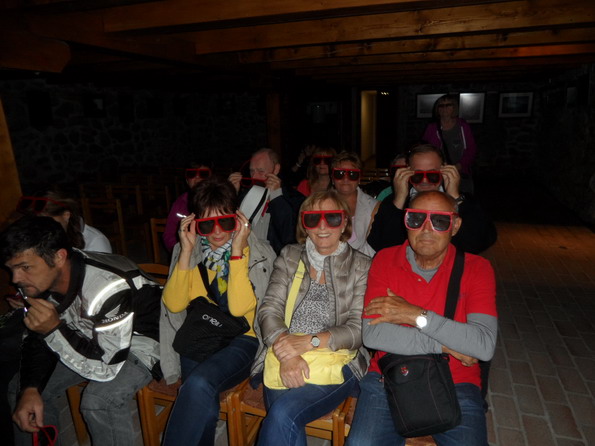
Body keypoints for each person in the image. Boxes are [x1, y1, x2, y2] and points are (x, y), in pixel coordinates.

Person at [347, 190, 497, 446]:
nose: (426, 228)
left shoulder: (477, 268)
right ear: (406, 222)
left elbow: (482, 345)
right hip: (388, 376)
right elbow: (374, 335)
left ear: (455, 225)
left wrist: (414, 314)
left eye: (439, 220)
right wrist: (447, 346)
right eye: (416, 219)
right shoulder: (385, 259)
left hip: (456, 382)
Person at [2, 216, 161, 446]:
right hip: (89, 335)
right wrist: (30, 388)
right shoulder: (39, 280)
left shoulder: (108, 286)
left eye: (25, 267)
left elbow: (106, 368)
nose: (16, 279)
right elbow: (37, 337)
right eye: (12, 269)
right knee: (22, 391)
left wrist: (53, 329)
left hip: (145, 341)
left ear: (59, 257)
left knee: (99, 401)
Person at [160, 178, 276, 445]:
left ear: (237, 219)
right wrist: (186, 252)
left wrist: (236, 253)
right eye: (207, 224)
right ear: (195, 223)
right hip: (201, 333)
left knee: (198, 385)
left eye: (224, 221)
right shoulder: (187, 250)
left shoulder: (258, 252)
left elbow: (238, 308)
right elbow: (174, 305)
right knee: (204, 403)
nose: (216, 232)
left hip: (243, 338)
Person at [252, 190, 371, 446]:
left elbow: (359, 328)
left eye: (332, 218)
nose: (323, 226)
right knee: (284, 419)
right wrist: (288, 354)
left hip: (335, 359)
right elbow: (269, 310)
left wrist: (309, 342)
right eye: (313, 218)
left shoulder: (362, 265)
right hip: (284, 352)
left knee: (282, 414)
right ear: (304, 225)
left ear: (344, 222)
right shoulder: (290, 255)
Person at [367, 143, 497, 254]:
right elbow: (379, 244)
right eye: (418, 175)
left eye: (432, 175)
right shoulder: (395, 203)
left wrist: (455, 198)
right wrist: (399, 200)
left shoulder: (464, 201)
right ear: (407, 172)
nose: (424, 181)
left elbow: (481, 241)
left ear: (444, 170)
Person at [229, 148, 305, 254]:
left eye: (261, 171)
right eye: (252, 171)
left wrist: (276, 197)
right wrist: (230, 195)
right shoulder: (245, 194)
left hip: (276, 260)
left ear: (276, 169)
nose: (254, 176)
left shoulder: (295, 198)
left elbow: (290, 237)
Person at [16, 191, 112, 253]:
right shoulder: (36, 237)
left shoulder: (95, 241)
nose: (43, 228)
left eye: (49, 222)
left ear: (66, 215)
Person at [422, 94, 477, 193]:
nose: (444, 108)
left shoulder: (463, 126)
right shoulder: (432, 128)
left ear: (454, 107)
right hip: (438, 174)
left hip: (460, 173)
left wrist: (459, 166)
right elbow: (425, 149)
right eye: (441, 105)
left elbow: (471, 150)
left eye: (448, 105)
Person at [331, 151, 377, 257]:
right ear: (332, 178)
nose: (345, 178)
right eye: (339, 174)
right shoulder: (320, 206)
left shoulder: (374, 207)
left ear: (359, 178)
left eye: (352, 174)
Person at [163, 161, 212, 253]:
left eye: (203, 174)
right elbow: (169, 235)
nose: (197, 177)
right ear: (186, 180)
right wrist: (181, 251)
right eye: (192, 174)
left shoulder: (221, 201)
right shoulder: (180, 203)